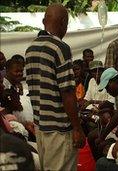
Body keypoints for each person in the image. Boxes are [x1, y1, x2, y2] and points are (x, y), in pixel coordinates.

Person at [25, 4, 85, 170]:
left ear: (44, 21)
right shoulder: (60, 48)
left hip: (41, 127)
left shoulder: (30, 49)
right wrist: (77, 127)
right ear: (63, 23)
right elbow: (67, 92)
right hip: (59, 130)